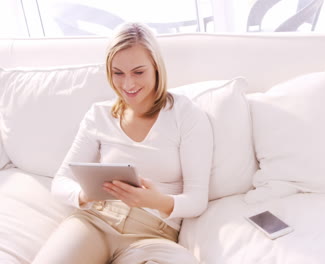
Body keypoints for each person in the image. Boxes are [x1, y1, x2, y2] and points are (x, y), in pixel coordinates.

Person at [32, 22, 213, 264]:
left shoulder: (185, 114)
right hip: (95, 221)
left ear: (156, 68)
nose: (128, 84)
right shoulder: (98, 115)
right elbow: (60, 182)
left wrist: (155, 201)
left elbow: (197, 200)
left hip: (153, 234)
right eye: (118, 73)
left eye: (138, 72)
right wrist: (84, 195)